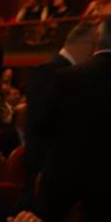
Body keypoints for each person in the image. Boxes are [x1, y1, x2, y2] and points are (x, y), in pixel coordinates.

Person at [32, 12, 111, 222]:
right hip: (109, 175)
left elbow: (44, 124)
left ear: (98, 36)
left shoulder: (68, 76)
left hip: (63, 169)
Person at [22, 22, 95, 190]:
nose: (95, 52)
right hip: (46, 165)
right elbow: (40, 119)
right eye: (94, 44)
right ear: (84, 43)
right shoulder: (49, 70)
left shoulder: (66, 71)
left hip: (59, 165)